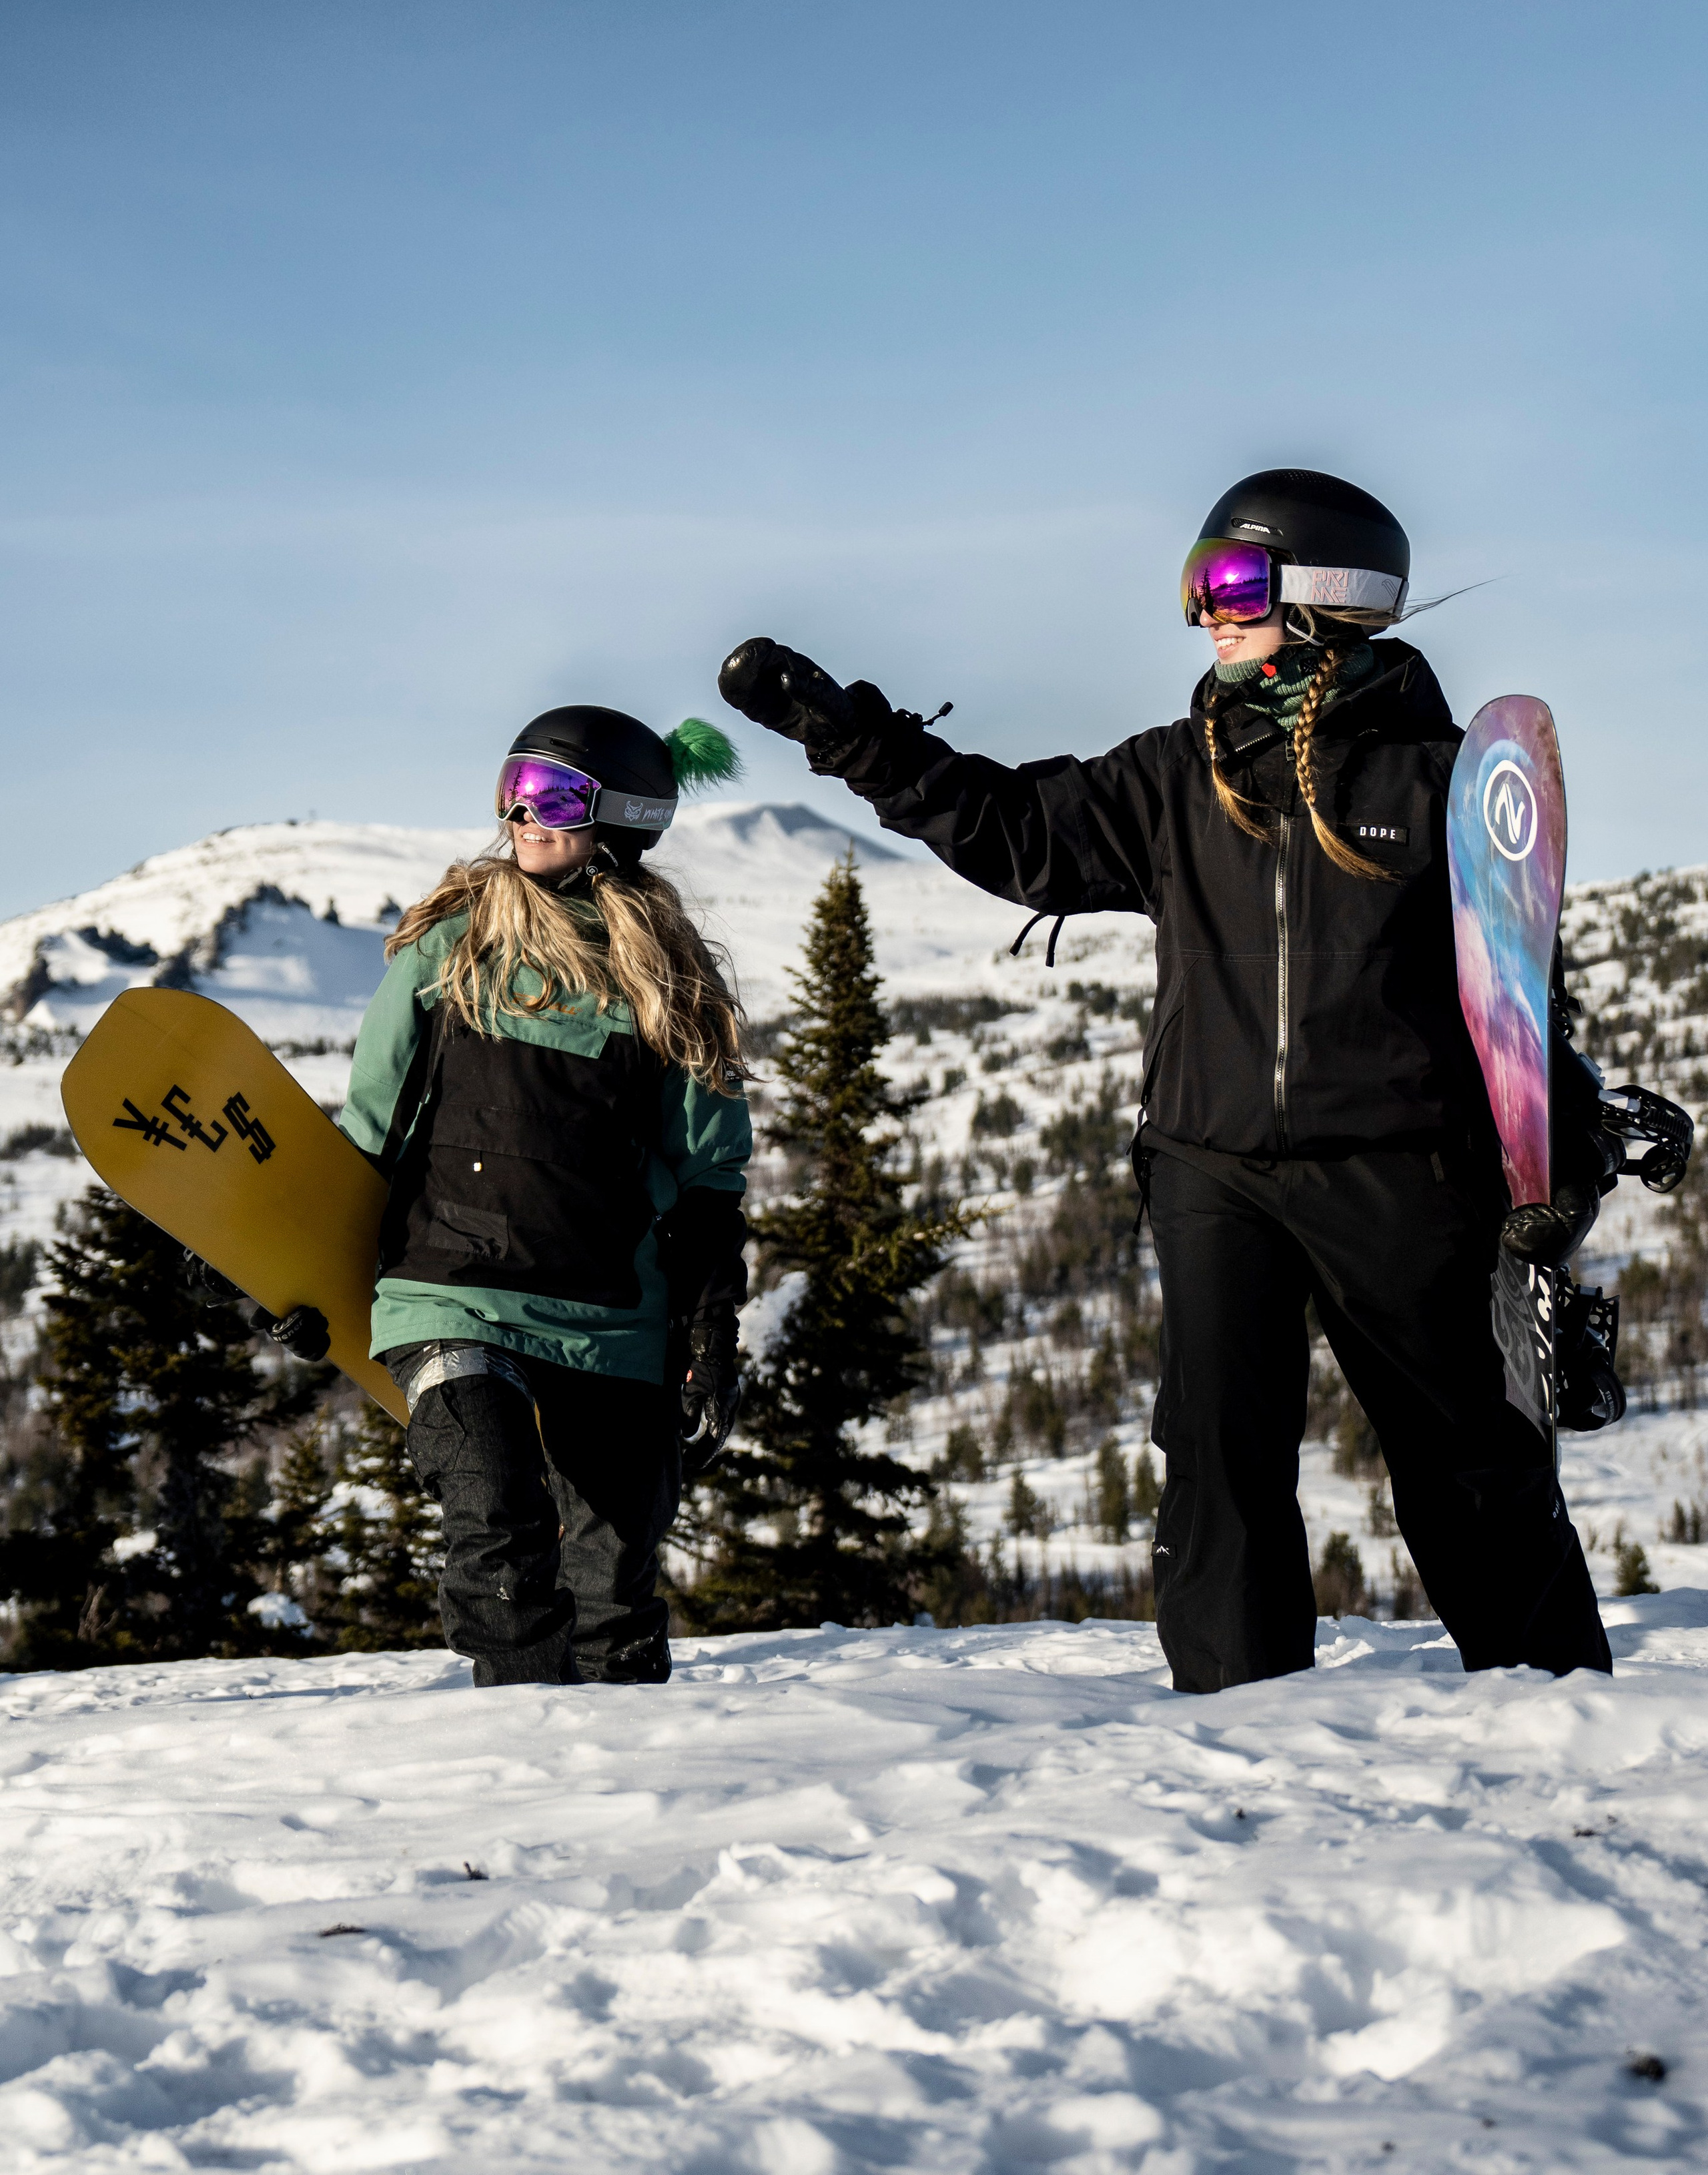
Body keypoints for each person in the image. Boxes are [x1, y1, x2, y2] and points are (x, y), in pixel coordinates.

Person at [717, 468, 1617, 1693]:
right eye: (1196, 586)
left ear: (1329, 595)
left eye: (1233, 582)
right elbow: (1011, 829)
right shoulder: (1176, 776)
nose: (1207, 611)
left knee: (1463, 1450)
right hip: (1212, 1165)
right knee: (1215, 1458)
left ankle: (1550, 1709)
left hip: (1405, 1164)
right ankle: (1236, 1722)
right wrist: (843, 731)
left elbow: (1518, 994)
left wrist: (1562, 1153)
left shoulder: (1445, 782)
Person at [335, 703, 753, 1687]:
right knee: (495, 1515)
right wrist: (275, 1256)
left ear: (624, 819)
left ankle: (615, 1815)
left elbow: (707, 1178)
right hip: (454, 1296)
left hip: (613, 1317)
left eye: (554, 795)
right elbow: (370, 1129)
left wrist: (709, 1327)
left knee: (616, 1598)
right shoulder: (453, 950)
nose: (524, 816)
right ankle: (524, 1767)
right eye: (514, 791)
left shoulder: (668, 981)